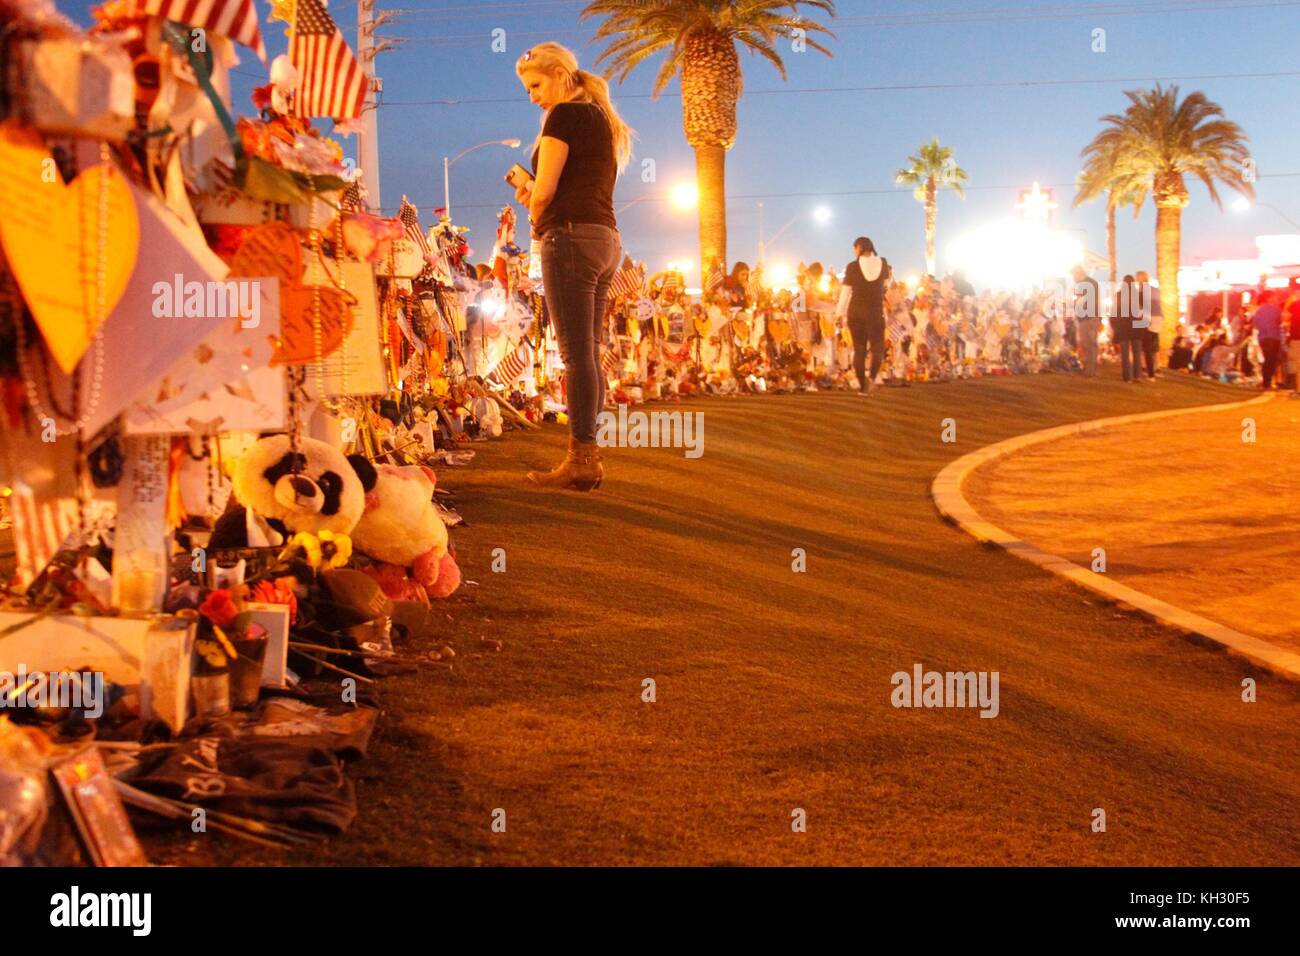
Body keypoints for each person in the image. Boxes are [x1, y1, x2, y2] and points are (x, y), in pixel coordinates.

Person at [514, 42, 633, 491]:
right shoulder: (601, 119)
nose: (533, 96)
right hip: (605, 239)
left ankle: (582, 458)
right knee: (589, 352)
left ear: (561, 75)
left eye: (536, 85)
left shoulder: (563, 116)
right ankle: (586, 454)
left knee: (576, 354)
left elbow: (545, 191)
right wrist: (537, 197)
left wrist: (533, 210)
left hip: (569, 237)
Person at [834, 237, 890, 395]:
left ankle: (862, 385)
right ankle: (871, 378)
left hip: (856, 312)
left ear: (859, 248)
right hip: (875, 312)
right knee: (878, 348)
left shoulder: (852, 266)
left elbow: (845, 293)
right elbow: (886, 285)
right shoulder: (883, 263)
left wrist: (839, 314)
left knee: (859, 350)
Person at [1112, 275, 1143, 383]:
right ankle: (1137, 375)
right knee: (1137, 352)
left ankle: (1127, 377)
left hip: (1123, 327)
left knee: (1125, 354)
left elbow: (1114, 312)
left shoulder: (1119, 295)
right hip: (1136, 327)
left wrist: (1114, 327)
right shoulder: (1139, 295)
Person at [1072, 265, 1101, 376]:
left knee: (1089, 344)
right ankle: (1091, 369)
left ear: (1079, 273)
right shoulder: (1092, 283)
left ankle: (1090, 370)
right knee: (1090, 344)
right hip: (1090, 317)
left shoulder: (1085, 284)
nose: (1073, 278)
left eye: (1074, 275)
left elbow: (1081, 301)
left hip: (1088, 318)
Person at [1251, 290, 1284, 389]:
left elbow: (1256, 324)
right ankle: (1268, 382)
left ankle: (1266, 382)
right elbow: (1280, 321)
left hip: (1263, 338)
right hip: (1274, 337)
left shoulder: (1259, 310)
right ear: (1269, 298)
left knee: (1266, 360)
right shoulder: (1276, 309)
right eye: (1274, 297)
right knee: (1272, 361)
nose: (1276, 299)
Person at [1135, 270, 1161, 379]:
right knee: (1154, 346)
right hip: (1158, 319)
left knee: (1145, 347)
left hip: (1148, 318)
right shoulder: (1155, 290)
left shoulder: (1142, 290)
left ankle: (1149, 371)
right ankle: (1156, 368)